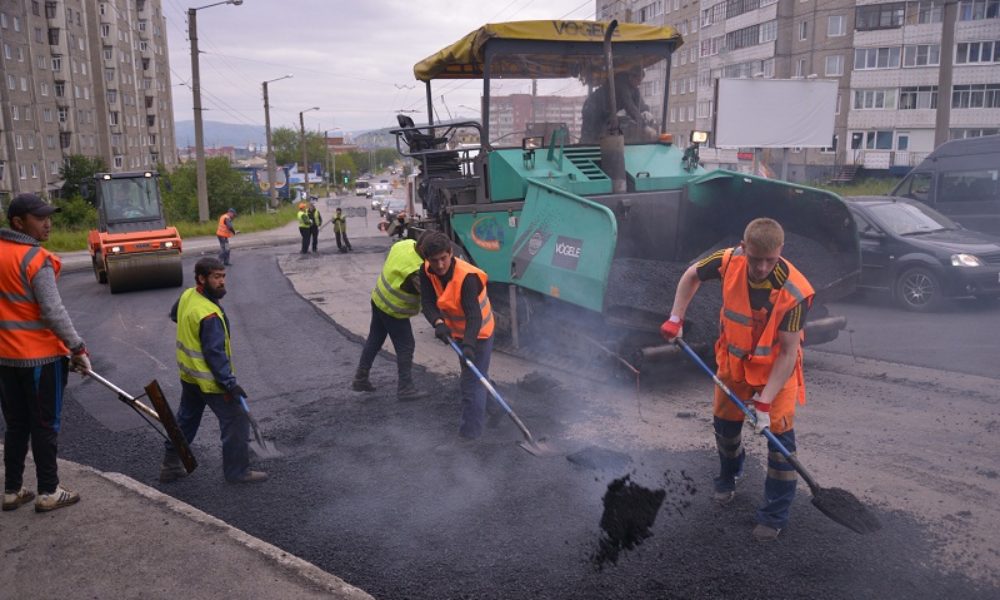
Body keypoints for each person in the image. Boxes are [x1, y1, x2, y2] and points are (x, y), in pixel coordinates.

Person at [660, 218, 813, 543]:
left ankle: (774, 515)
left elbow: (787, 354)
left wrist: (764, 402)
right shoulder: (727, 261)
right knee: (726, 433)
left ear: (780, 252)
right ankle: (729, 477)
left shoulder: (795, 293)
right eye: (755, 258)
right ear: (744, 247)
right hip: (733, 364)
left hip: (776, 375)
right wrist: (676, 318)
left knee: (781, 450)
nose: (760, 267)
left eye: (769, 260)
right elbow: (690, 276)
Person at [0, 193, 92, 513]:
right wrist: (77, 347)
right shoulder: (34, 259)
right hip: (39, 359)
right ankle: (48, 491)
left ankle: (11, 490)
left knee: (15, 425)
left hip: (4, 359)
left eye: (48, 217)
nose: (48, 223)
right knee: (45, 425)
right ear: (18, 223)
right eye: (40, 218)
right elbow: (53, 311)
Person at [159, 257, 267, 484]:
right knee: (236, 419)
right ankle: (238, 472)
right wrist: (229, 384)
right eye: (216, 277)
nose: (222, 282)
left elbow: (174, 315)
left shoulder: (189, 295)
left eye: (223, 276)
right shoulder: (209, 315)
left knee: (186, 419)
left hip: (189, 376)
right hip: (210, 381)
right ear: (201, 278)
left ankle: (170, 465)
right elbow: (214, 354)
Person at [419, 231, 495, 439]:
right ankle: (496, 408)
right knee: (477, 375)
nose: (440, 265)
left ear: (451, 253)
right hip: (457, 332)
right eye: (434, 261)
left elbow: (473, 316)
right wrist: (438, 323)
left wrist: (469, 345)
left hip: (479, 332)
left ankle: (470, 436)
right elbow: (427, 303)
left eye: (443, 258)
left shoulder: (467, 278)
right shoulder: (425, 271)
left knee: (470, 383)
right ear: (428, 260)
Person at [352, 237, 428, 401]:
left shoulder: (404, 244)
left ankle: (360, 378)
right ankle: (405, 388)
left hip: (378, 298)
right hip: (393, 308)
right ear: (422, 248)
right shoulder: (415, 270)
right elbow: (428, 298)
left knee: (375, 338)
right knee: (406, 345)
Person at [581, 64, 652, 144]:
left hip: (605, 112)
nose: (639, 84)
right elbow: (629, 105)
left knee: (602, 135)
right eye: (638, 80)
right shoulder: (620, 83)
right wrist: (644, 126)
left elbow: (638, 104)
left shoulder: (633, 87)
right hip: (592, 108)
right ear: (631, 77)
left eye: (641, 81)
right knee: (590, 137)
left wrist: (645, 111)